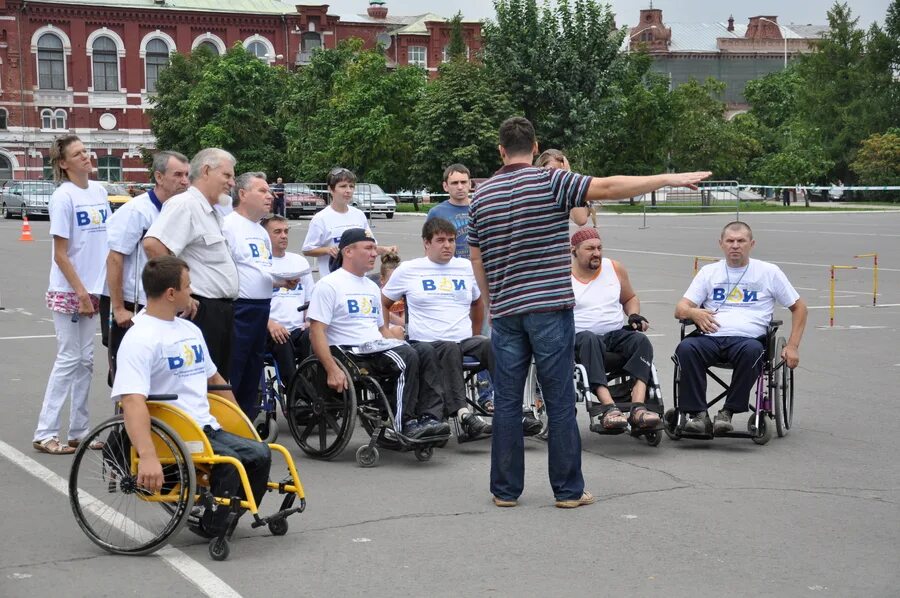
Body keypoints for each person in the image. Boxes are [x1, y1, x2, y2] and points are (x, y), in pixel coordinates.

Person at [468, 116, 710, 508]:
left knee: (510, 401)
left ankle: (505, 491)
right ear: (534, 147)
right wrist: (667, 178)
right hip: (549, 307)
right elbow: (609, 186)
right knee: (562, 400)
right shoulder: (552, 180)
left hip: (508, 310)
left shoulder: (482, 195)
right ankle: (568, 491)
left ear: (500, 150)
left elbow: (476, 257)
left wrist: (493, 299)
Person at [112, 256, 270, 538]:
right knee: (230, 464)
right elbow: (132, 401)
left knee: (260, 454)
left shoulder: (189, 329)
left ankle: (225, 516)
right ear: (171, 293)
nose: (192, 291)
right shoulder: (140, 338)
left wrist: (239, 420)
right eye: (188, 286)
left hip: (204, 425)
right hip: (174, 431)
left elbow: (215, 379)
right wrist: (147, 456)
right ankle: (214, 526)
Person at [307, 228, 448, 439]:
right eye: (368, 248)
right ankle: (403, 425)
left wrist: (405, 346)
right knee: (406, 357)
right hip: (348, 352)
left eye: (374, 248)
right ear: (348, 252)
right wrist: (331, 369)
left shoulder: (371, 287)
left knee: (425, 350)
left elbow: (382, 329)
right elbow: (316, 331)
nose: (375, 254)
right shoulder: (329, 285)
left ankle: (430, 418)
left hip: (375, 346)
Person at [673, 221, 808, 435]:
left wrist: (792, 346)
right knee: (686, 348)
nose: (735, 245)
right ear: (721, 244)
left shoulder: (768, 272)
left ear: (751, 244)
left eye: (741, 241)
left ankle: (727, 412)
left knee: (753, 352)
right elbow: (680, 308)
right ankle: (698, 414)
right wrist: (693, 313)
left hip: (748, 341)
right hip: (710, 337)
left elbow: (799, 307)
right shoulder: (709, 272)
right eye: (730, 241)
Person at [33, 135, 111, 455]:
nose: (85, 157)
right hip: (70, 289)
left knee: (86, 361)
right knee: (69, 358)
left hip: (96, 288)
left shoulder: (100, 191)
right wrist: (79, 291)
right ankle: (45, 431)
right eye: (77, 154)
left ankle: (79, 431)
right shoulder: (63, 198)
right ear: (63, 163)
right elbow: (61, 254)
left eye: (86, 151)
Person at [381, 217, 493, 440]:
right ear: (426, 243)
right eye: (440, 240)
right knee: (450, 348)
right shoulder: (409, 269)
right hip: (426, 342)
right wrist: (384, 331)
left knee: (492, 345)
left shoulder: (465, 267)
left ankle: (512, 408)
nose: (447, 245)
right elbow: (383, 302)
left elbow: (477, 303)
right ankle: (462, 414)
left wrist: (474, 332)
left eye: (451, 240)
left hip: (463, 339)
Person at [143, 148, 239, 376]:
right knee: (202, 384)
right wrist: (181, 294)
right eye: (227, 176)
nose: (232, 183)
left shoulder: (210, 211)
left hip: (220, 311)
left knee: (218, 382)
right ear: (206, 171)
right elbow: (153, 245)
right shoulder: (185, 204)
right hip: (202, 310)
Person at [102, 151, 190, 383]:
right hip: (133, 304)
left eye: (187, 175)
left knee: (163, 373)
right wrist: (119, 308)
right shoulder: (137, 210)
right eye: (178, 175)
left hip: (166, 304)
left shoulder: (180, 209)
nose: (185, 181)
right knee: (130, 376)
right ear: (159, 177)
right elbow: (114, 258)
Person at [569, 227, 659, 431]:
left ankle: (638, 407)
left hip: (614, 334)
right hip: (580, 339)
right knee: (589, 339)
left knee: (640, 340)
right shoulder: (564, 275)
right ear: (573, 250)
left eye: (599, 248)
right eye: (590, 248)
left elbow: (629, 298)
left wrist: (634, 314)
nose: (597, 253)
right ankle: (608, 407)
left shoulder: (614, 268)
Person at [223, 172, 296, 419]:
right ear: (242, 194)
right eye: (262, 191)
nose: (270, 196)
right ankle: (229, 422)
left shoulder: (261, 231)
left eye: (269, 191)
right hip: (239, 308)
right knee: (235, 369)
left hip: (262, 306)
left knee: (253, 371)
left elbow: (260, 270)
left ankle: (247, 421)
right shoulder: (228, 225)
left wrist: (281, 281)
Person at [301, 167, 397, 276]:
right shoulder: (320, 218)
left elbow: (369, 247)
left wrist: (385, 249)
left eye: (351, 186)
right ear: (331, 189)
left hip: (359, 280)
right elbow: (307, 250)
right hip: (334, 281)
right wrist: (327, 250)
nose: (348, 190)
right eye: (343, 186)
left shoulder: (359, 215)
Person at [263, 214, 315, 383]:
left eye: (286, 231)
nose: (284, 235)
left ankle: (311, 389)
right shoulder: (261, 264)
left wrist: (309, 320)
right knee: (282, 339)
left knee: (313, 334)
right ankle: (295, 391)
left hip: (298, 329)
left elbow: (310, 299)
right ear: (264, 235)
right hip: (270, 329)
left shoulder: (299, 262)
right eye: (277, 232)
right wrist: (270, 323)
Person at [426, 164, 473, 259]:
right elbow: (429, 247)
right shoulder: (436, 212)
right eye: (455, 183)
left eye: (463, 182)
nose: (460, 187)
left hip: (478, 269)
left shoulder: (480, 207)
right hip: (449, 270)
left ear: (470, 184)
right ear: (445, 186)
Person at [535, 149, 591, 227]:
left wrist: (568, 174)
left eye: (561, 173)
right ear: (541, 168)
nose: (556, 176)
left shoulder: (561, 193)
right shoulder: (532, 190)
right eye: (552, 170)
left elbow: (581, 219)